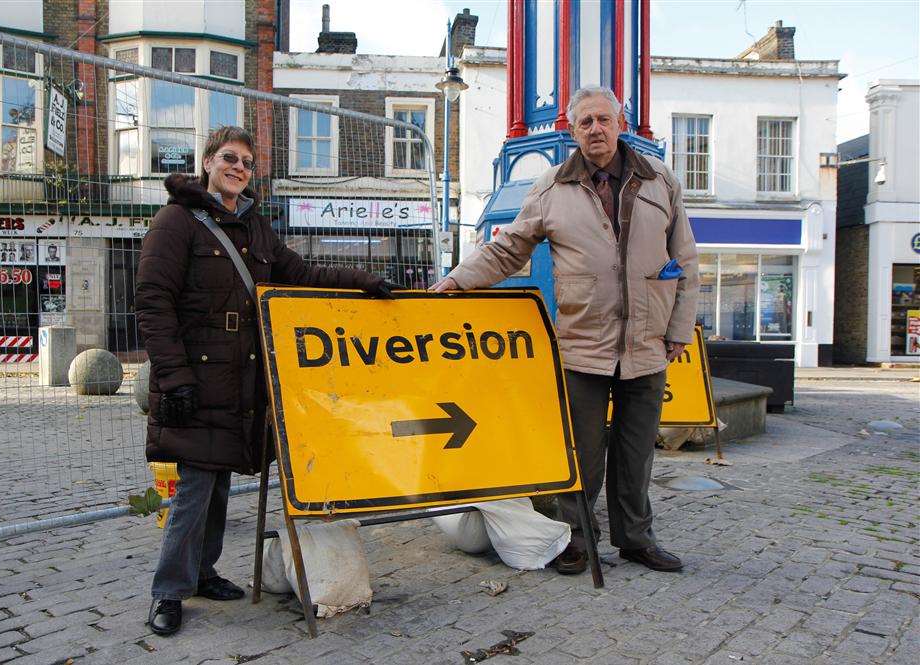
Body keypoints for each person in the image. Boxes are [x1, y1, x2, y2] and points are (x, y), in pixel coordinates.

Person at [136, 126, 396, 637]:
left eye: (247, 163)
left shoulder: (255, 228)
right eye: (229, 158)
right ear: (207, 162)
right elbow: (152, 303)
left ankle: (204, 572)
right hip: (192, 376)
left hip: (239, 380)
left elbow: (300, 274)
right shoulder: (175, 222)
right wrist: (174, 376)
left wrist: (363, 280)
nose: (238, 168)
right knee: (194, 485)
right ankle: (168, 590)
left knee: (217, 480)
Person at [431, 86, 698, 575]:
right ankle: (576, 538)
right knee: (582, 453)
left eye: (603, 119)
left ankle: (636, 538)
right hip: (581, 343)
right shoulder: (551, 186)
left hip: (648, 343)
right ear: (571, 131)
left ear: (621, 122)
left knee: (636, 452)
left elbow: (685, 258)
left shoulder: (661, 179)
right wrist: (456, 280)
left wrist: (680, 327)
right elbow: (509, 247)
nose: (595, 129)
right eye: (585, 123)